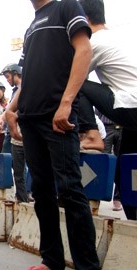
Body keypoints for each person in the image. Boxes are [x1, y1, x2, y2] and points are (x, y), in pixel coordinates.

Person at [5, 1, 100, 269]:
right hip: (30, 118)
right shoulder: (31, 27)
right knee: (41, 192)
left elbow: (84, 50)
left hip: (57, 116)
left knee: (69, 189)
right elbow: (29, 78)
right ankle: (51, 260)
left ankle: (87, 266)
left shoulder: (67, 7)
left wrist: (67, 102)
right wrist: (11, 110)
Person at [78, 0, 137, 220]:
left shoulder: (94, 42)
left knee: (76, 83)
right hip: (132, 114)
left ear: (84, 20)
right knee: (127, 169)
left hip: (131, 106)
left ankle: (92, 135)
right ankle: (132, 222)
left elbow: (74, 79)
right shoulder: (120, 38)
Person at [0, 63, 29, 202]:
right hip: (15, 134)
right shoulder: (15, 91)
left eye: (8, 76)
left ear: (16, 73)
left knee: (30, 168)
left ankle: (30, 194)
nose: (7, 80)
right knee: (18, 169)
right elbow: (10, 109)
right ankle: (22, 198)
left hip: (27, 132)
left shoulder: (25, 87)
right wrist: (2, 120)